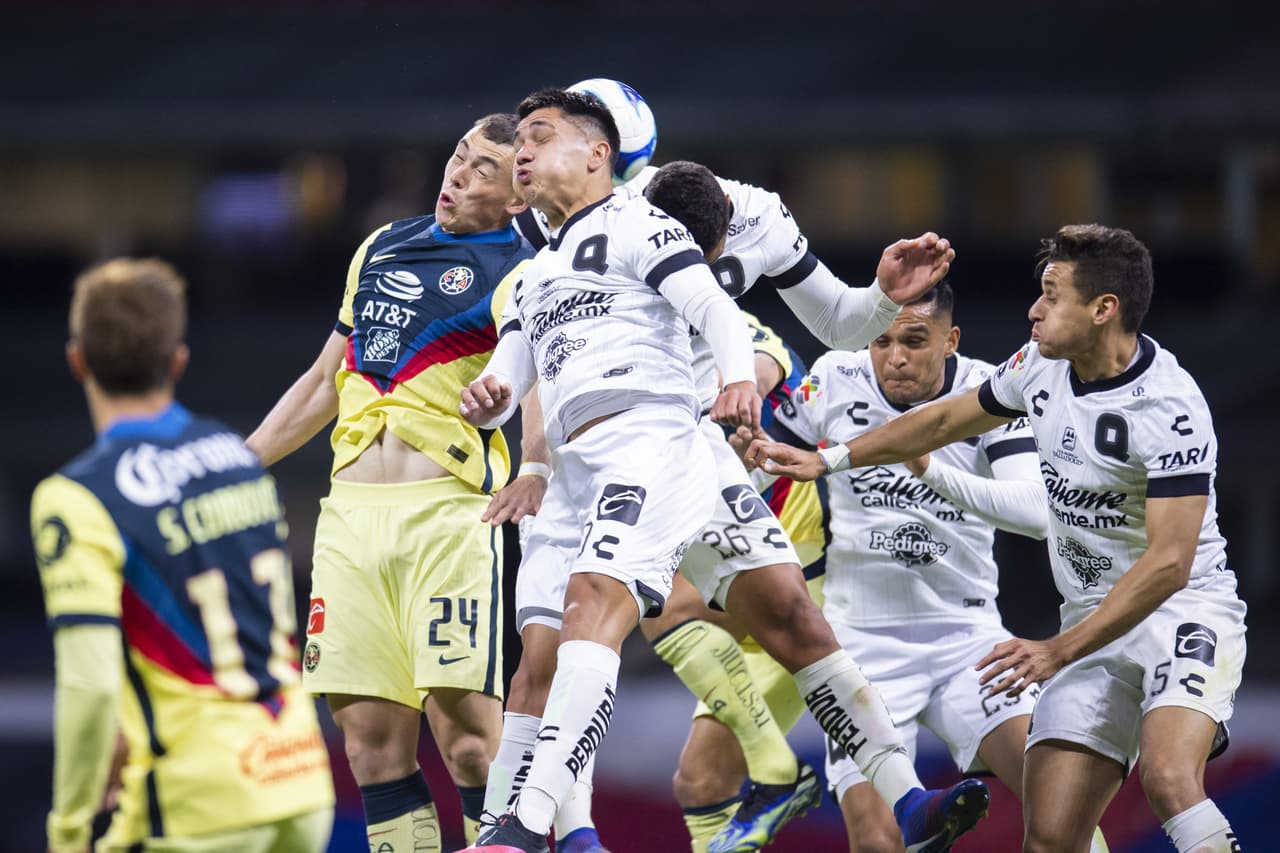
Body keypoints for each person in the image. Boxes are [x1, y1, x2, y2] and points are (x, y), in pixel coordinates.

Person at [471, 127, 986, 853]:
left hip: (692, 445)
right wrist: (531, 460)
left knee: (787, 615)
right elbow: (528, 372)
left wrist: (875, 299)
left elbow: (831, 324)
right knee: (563, 645)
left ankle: (904, 796)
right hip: (611, 453)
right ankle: (536, 827)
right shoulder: (558, 252)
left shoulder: (750, 216)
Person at [748, 224, 1247, 853]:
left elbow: (1170, 564)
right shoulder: (1037, 366)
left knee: (1170, 778)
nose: (1034, 310)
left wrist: (1059, 650)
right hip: (1081, 619)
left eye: (1051, 295)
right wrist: (832, 459)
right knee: (1050, 836)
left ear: (1103, 310)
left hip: (1179, 611)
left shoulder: (1170, 409)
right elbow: (947, 418)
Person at [245, 113, 537, 851]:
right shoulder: (382, 245)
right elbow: (323, 378)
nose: (456, 175)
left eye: (481, 172)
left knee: (470, 741)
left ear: (515, 200)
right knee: (371, 746)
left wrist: (529, 453)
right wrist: (235, 464)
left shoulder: (526, 267)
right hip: (348, 519)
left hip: (447, 519)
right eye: (458, 156)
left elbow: (536, 384)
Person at [765, 282, 1107, 853]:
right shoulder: (833, 378)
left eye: (914, 340)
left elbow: (1036, 513)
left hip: (966, 640)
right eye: (881, 340)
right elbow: (759, 464)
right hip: (860, 646)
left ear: (950, 341)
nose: (894, 356)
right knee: (876, 841)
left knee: (1063, 811)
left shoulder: (989, 391)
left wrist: (931, 468)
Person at [32, 258, 334, 853]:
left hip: (196, 804)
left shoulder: (76, 498)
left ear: (77, 361)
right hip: (299, 781)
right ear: (177, 361)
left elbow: (88, 685)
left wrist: (68, 829)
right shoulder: (235, 459)